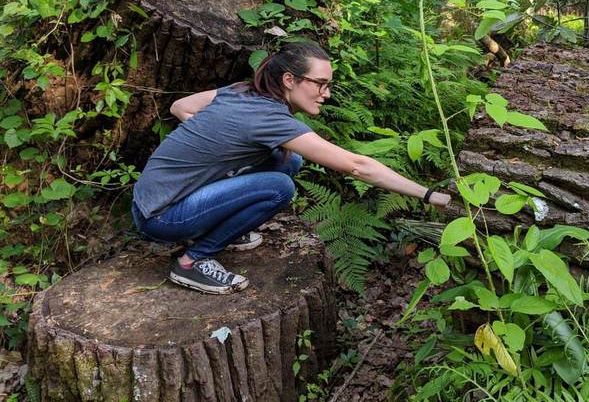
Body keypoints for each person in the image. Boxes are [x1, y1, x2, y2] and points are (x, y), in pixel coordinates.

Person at [131, 41, 451, 294]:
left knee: (289, 159)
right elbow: (357, 167)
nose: (326, 94)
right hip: (161, 216)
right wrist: (429, 195)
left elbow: (180, 107)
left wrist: (218, 141)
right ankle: (192, 261)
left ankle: (216, 229)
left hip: (155, 198)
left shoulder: (242, 92)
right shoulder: (269, 119)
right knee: (280, 187)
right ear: (289, 80)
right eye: (320, 84)